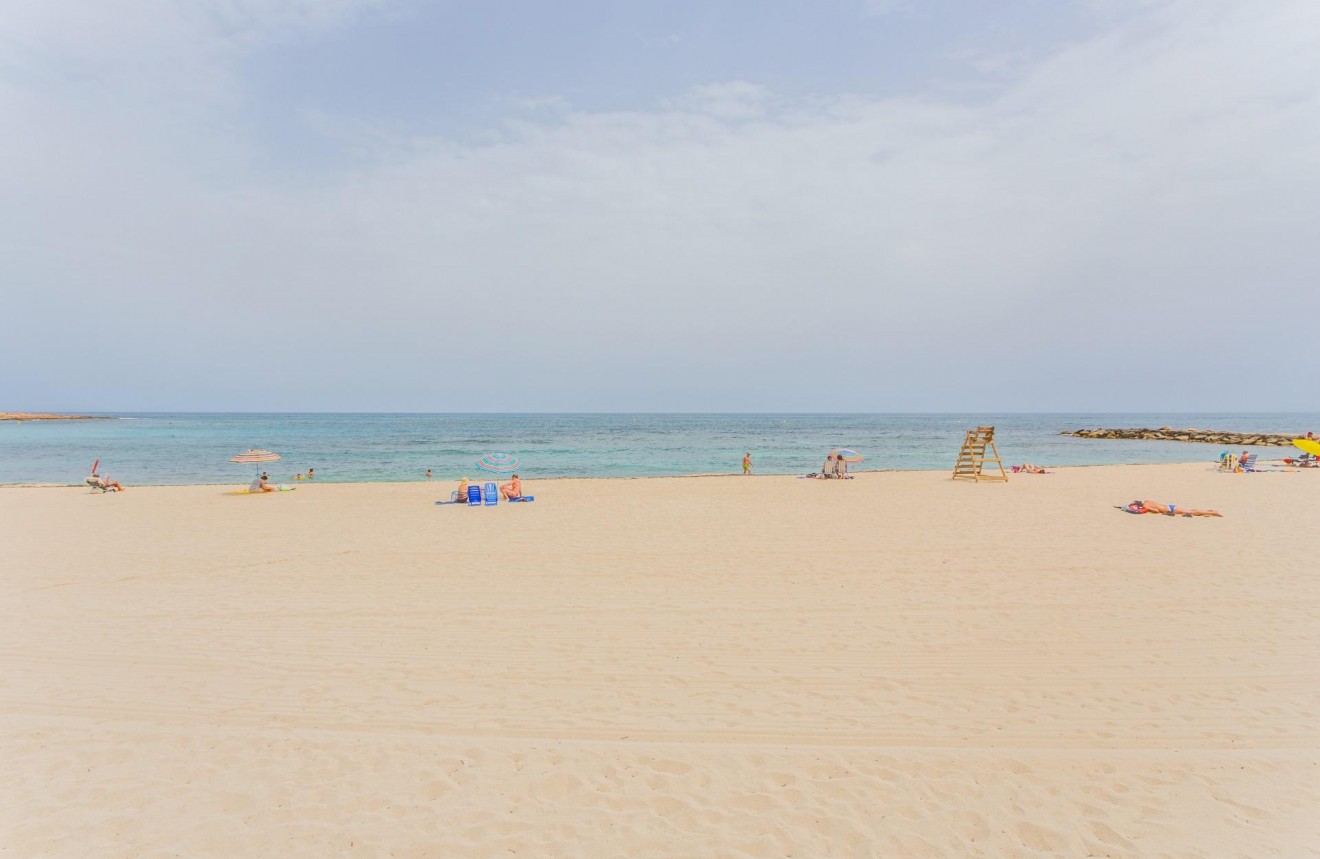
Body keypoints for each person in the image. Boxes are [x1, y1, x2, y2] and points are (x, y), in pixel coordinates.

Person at [1121, 499, 1221, 517]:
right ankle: (1209, 511)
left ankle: (1213, 513)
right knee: (1191, 510)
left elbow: (1156, 511)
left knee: (1192, 512)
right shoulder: (1147, 501)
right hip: (1169, 506)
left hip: (1170, 509)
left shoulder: (1146, 505)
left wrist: (1148, 510)